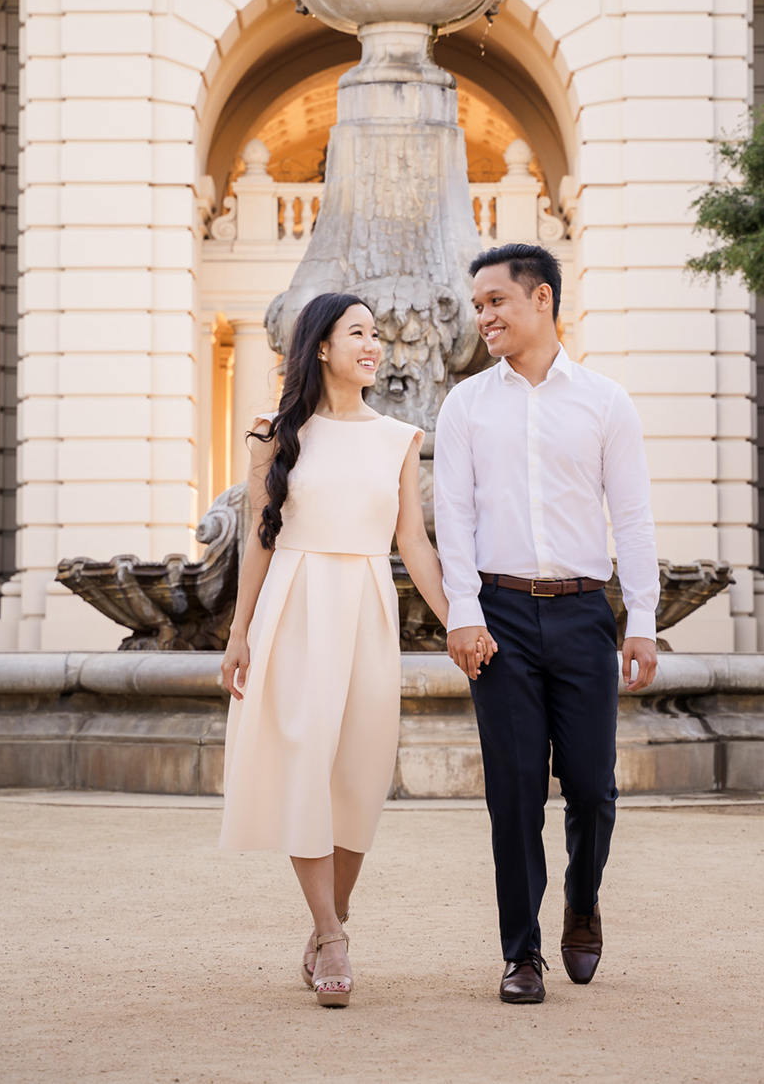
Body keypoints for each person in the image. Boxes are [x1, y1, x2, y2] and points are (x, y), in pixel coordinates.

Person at [218, 292, 462, 1007]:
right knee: (304, 765)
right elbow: (260, 541)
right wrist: (238, 632)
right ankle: (330, 935)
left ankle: (335, 915)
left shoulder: (399, 438)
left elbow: (413, 544)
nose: (374, 344)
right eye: (358, 332)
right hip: (294, 605)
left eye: (377, 334)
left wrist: (457, 623)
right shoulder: (274, 435)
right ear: (320, 347)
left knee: (359, 773)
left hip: (365, 604)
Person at [434, 243, 660, 1004]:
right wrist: (462, 615)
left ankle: (583, 900)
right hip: (497, 615)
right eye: (478, 306)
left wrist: (643, 619)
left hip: (582, 611)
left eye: (495, 301)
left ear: (542, 301)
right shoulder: (465, 405)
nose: (484, 316)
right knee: (515, 792)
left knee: (593, 789)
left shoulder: (605, 402)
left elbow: (631, 517)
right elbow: (453, 520)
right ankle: (521, 953)